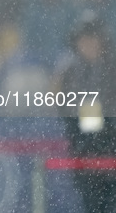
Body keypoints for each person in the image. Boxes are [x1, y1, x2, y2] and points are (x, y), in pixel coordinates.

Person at [53, 11, 116, 212]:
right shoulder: (69, 73)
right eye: (84, 39)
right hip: (85, 155)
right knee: (92, 204)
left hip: (110, 150)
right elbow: (63, 110)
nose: (89, 44)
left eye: (94, 38)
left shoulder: (111, 69)